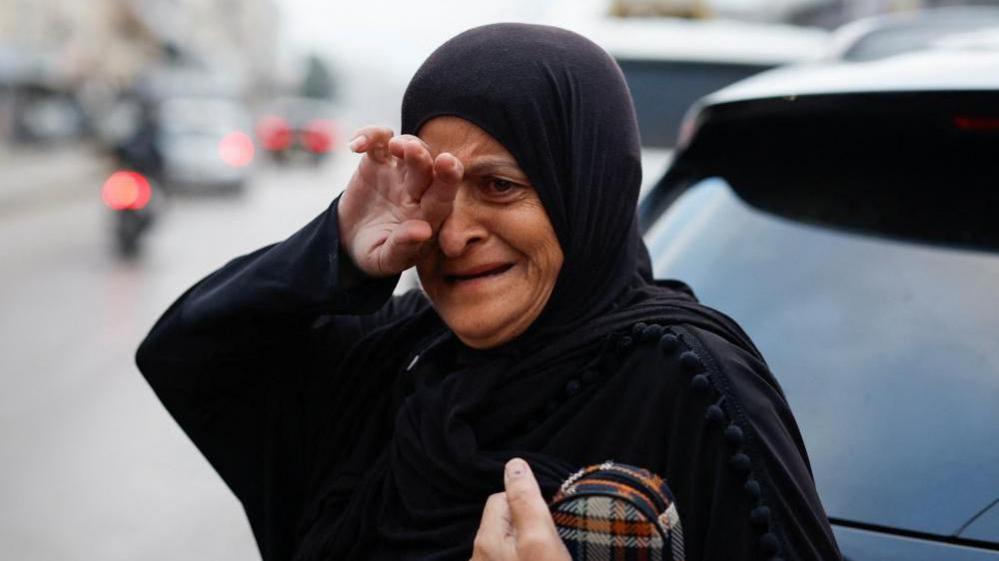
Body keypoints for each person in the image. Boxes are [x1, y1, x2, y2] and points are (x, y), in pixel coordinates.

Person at [136, 23, 841, 561]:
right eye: (435, 192)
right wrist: (339, 247)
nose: (452, 234)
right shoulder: (400, 356)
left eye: (500, 187)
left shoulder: (688, 388)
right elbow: (187, 353)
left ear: (583, 192)